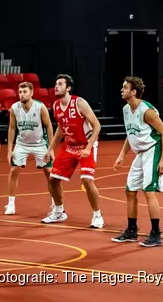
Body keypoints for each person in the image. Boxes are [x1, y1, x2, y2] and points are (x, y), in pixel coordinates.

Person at [112, 76, 163, 247]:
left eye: (125, 87)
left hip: (154, 149)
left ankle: (156, 233)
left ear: (134, 91)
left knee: (148, 191)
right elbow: (131, 134)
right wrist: (122, 154)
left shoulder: (147, 111)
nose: (122, 90)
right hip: (141, 153)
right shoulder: (126, 110)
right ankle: (131, 230)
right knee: (130, 190)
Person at [42, 74, 105, 228]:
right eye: (55, 84)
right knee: (53, 178)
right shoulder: (56, 105)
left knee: (86, 180)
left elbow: (97, 126)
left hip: (85, 145)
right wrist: (50, 149)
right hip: (70, 146)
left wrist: (89, 148)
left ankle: (98, 216)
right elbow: (61, 129)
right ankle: (59, 211)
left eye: (60, 84)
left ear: (68, 88)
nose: (56, 86)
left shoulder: (79, 103)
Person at [4, 82, 55, 215]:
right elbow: (12, 128)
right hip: (22, 143)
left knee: (49, 172)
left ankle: (55, 203)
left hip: (39, 143)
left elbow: (49, 127)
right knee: (14, 170)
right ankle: (10, 204)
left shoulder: (40, 107)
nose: (22, 94)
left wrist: (51, 148)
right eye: (20, 92)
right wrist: (10, 149)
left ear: (31, 93)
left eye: (25, 91)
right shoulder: (14, 108)